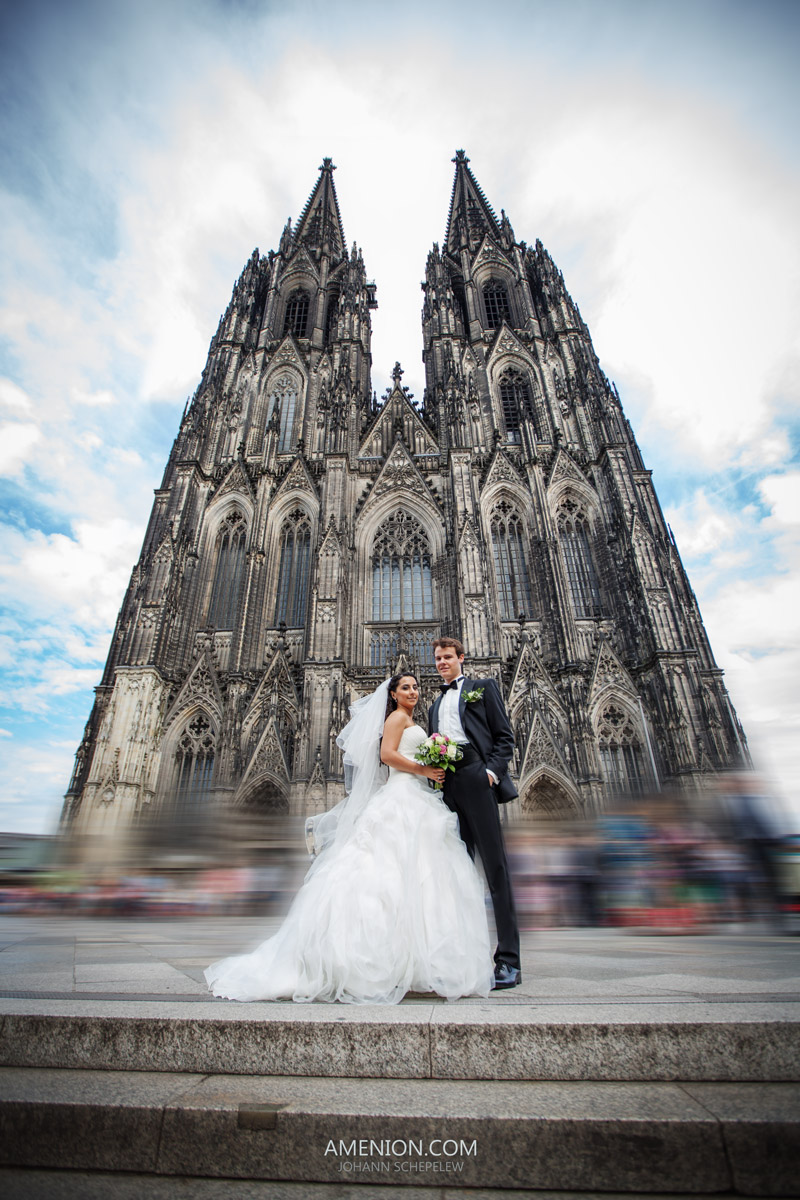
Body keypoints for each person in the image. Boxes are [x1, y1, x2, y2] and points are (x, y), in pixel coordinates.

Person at [205, 673, 493, 1003]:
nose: (412, 692)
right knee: (392, 874)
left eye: (415, 687)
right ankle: (379, 960)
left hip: (416, 797)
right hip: (403, 795)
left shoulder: (409, 719)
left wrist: (432, 765)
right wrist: (425, 769)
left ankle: (412, 963)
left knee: (413, 878)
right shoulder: (397, 718)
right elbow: (387, 756)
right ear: (394, 694)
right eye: (405, 688)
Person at [429, 636, 521, 989]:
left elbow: (504, 737)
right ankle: (465, 958)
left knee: (496, 869)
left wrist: (490, 773)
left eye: (447, 657)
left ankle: (509, 961)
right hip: (449, 784)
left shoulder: (483, 688)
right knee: (458, 871)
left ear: (461, 658)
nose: (442, 663)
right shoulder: (436, 704)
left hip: (477, 776)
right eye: (438, 658)